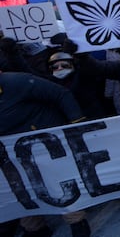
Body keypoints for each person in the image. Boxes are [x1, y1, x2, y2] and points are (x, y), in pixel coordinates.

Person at [0, 71, 89, 237]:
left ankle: (76, 221)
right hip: (11, 153)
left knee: (57, 184)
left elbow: (60, 94)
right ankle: (35, 228)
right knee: (19, 190)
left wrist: (77, 124)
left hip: (43, 143)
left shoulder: (18, 82)